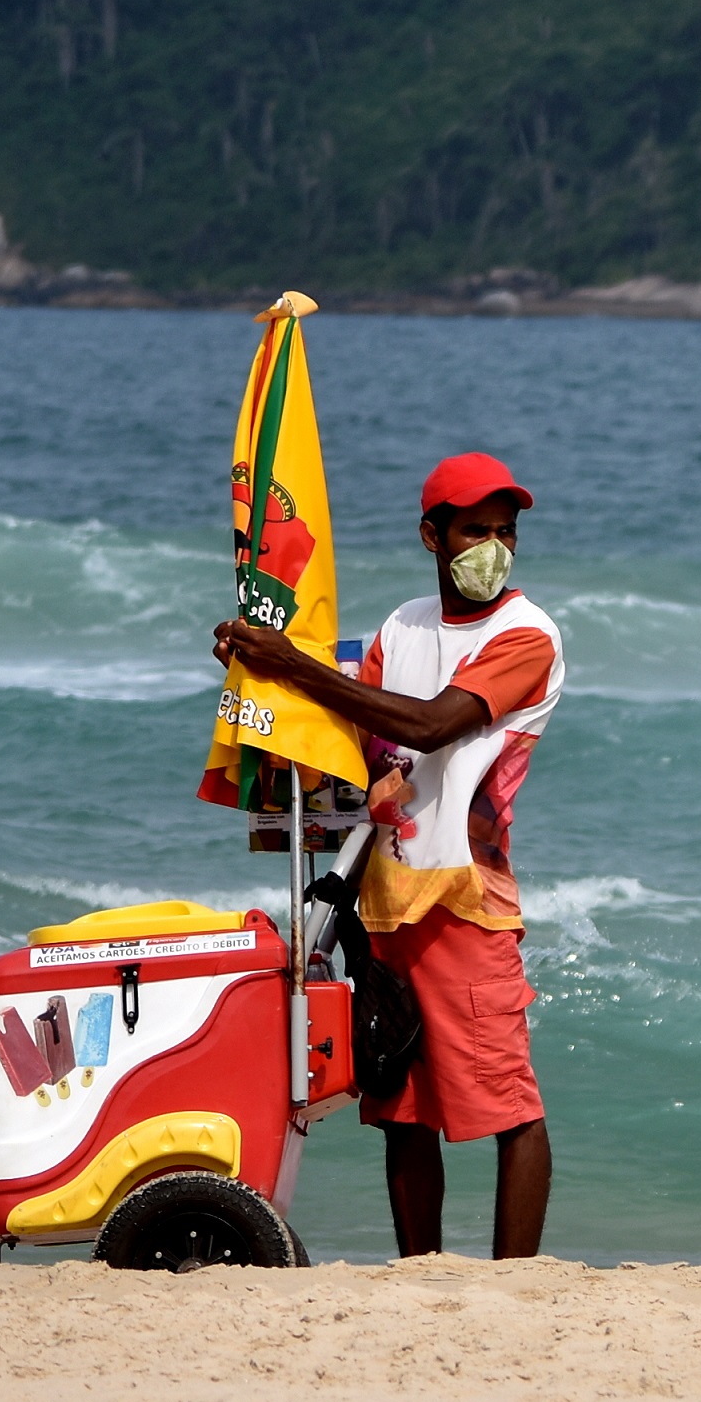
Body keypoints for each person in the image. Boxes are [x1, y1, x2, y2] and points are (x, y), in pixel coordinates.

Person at [212, 451, 565, 1258]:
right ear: (431, 536)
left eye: (505, 532)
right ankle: (421, 1273)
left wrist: (295, 667)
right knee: (401, 1108)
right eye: (475, 530)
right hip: (381, 895)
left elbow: (432, 725)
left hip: (465, 898)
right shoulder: (400, 629)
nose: (494, 548)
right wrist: (263, 681)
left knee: (507, 1102)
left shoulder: (527, 636)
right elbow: (363, 739)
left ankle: (513, 1281)